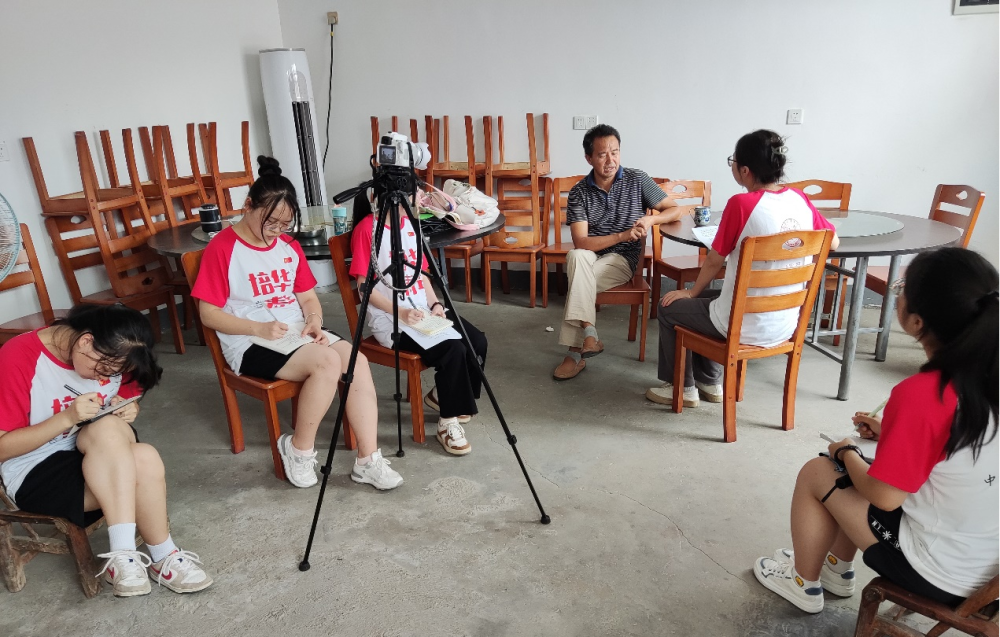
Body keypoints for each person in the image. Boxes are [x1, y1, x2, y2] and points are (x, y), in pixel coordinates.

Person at [753, 247, 1000, 614]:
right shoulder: (987, 377)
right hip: (987, 568)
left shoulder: (925, 394)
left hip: (940, 574)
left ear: (916, 321)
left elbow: (884, 498)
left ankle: (802, 583)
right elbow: (959, 448)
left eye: (902, 288)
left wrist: (845, 451)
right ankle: (837, 570)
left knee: (821, 471)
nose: (897, 293)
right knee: (861, 468)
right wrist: (891, 434)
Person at [193, 156, 402, 490]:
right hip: (249, 340)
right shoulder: (223, 248)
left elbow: (307, 298)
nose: (276, 231)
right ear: (248, 206)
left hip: (294, 332)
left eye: (284, 224)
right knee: (326, 363)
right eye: (270, 222)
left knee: (356, 360)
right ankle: (298, 449)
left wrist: (315, 320)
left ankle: (367, 460)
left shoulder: (288, 246)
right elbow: (208, 314)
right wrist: (258, 328)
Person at [0, 304, 213, 597]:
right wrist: (66, 418)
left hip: (104, 455)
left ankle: (146, 556)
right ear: (86, 341)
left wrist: (128, 406)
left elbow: (130, 388)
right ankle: (152, 556)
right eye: (103, 370)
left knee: (117, 434)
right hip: (35, 470)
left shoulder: (114, 354)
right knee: (142, 457)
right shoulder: (18, 357)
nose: (102, 379)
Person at [647, 130, 840, 406]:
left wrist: (690, 292)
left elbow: (714, 259)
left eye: (733, 161)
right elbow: (833, 241)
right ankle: (709, 382)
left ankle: (682, 388)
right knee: (711, 299)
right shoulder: (800, 199)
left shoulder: (741, 204)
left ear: (745, 171)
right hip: (786, 323)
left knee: (669, 306)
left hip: (743, 325)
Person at [349, 186, 488, 456]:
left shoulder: (411, 225)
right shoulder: (368, 229)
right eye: (415, 194)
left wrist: (435, 304)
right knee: (453, 350)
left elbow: (421, 274)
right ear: (395, 197)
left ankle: (443, 396)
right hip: (391, 318)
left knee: (477, 341)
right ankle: (447, 423)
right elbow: (364, 289)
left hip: (421, 310)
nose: (420, 198)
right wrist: (400, 313)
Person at [553, 124, 681, 380]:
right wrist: (622, 234)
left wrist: (650, 220)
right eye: (602, 154)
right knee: (576, 257)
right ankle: (590, 336)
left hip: (622, 259)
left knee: (578, 278)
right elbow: (581, 243)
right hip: (590, 257)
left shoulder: (637, 179)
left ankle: (576, 351)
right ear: (589, 158)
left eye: (615, 152)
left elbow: (674, 209)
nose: (610, 160)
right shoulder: (579, 192)